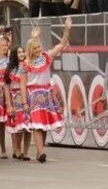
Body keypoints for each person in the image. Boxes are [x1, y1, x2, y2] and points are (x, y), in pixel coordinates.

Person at [24, 17, 72, 162]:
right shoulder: (26, 63)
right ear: (30, 50)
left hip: (46, 93)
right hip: (33, 94)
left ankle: (40, 152)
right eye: (35, 48)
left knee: (43, 125)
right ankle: (41, 150)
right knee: (37, 125)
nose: (38, 50)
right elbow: (23, 82)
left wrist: (67, 29)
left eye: (39, 47)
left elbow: (62, 44)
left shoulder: (46, 57)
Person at [3, 45, 31, 160]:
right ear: (14, 54)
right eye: (19, 52)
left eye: (23, 52)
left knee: (29, 126)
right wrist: (9, 104)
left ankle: (26, 152)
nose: (21, 54)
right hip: (15, 98)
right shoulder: (9, 68)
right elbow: (6, 87)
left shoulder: (29, 65)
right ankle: (17, 150)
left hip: (28, 96)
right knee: (18, 126)